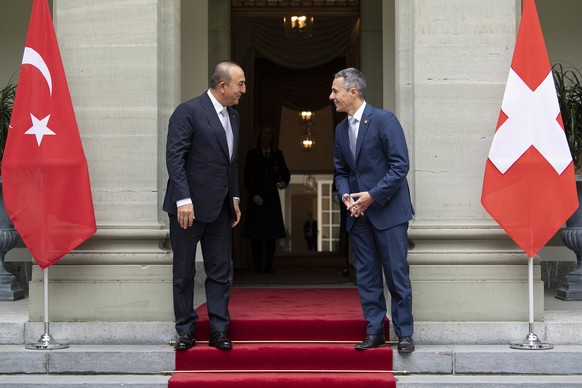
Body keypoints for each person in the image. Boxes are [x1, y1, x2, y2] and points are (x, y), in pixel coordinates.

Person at [330, 67, 415, 353]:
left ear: (352, 92)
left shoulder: (384, 120)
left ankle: (404, 334)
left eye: (335, 91)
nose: (332, 97)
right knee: (366, 276)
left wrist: (371, 196)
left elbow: (400, 166)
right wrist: (345, 196)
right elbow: (341, 172)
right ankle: (375, 330)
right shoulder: (341, 130)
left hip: (389, 213)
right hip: (358, 216)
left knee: (396, 275)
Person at [163, 60, 246, 352]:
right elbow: (175, 157)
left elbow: (230, 164)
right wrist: (183, 199)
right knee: (184, 272)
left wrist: (234, 198)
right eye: (240, 84)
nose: (243, 90)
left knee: (220, 272)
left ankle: (219, 330)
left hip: (220, 210)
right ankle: (185, 330)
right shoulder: (188, 111)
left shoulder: (234, 117)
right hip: (188, 210)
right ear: (222, 86)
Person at [242, 126, 290, 273]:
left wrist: (283, 182)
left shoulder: (277, 154)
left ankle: (268, 265)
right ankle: (258, 266)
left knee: (271, 233)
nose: (266, 135)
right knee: (256, 234)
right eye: (264, 132)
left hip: (271, 198)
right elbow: (247, 176)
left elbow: (285, 173)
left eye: (269, 133)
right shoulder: (252, 154)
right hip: (256, 197)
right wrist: (253, 193)